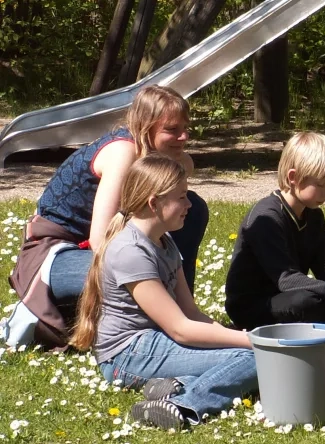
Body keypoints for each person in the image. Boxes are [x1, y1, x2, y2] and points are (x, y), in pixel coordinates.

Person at [9, 85, 208, 348]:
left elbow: (186, 165)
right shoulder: (122, 152)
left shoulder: (151, 155)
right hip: (56, 255)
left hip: (107, 251)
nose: (183, 137)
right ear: (144, 127)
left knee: (190, 207)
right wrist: (145, 271)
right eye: (171, 130)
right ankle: (165, 326)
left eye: (186, 128)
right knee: (143, 268)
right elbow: (100, 239)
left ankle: (181, 317)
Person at [69, 154, 256, 431]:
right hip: (127, 355)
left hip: (154, 343)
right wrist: (252, 342)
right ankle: (185, 404)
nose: (189, 204)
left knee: (249, 356)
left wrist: (238, 337)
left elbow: (190, 313)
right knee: (252, 359)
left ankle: (176, 385)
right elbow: (181, 328)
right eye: (181, 197)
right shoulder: (130, 252)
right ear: (154, 203)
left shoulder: (163, 241)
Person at [225, 132, 325, 334]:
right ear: (293, 177)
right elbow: (288, 280)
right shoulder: (266, 218)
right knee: (304, 302)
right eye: (321, 185)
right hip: (256, 306)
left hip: (291, 295)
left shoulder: (314, 216)